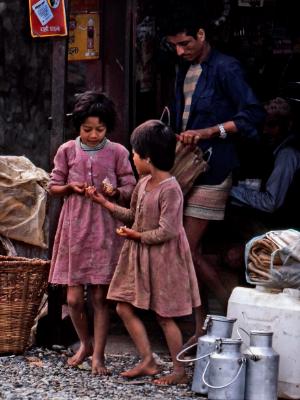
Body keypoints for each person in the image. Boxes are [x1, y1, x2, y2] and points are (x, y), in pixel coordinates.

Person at [161, 7, 265, 343]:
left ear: (202, 35)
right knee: (191, 251)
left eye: (185, 43)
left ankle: (236, 313)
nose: (180, 51)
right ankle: (205, 324)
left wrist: (209, 132)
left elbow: (252, 116)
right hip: (186, 170)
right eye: (174, 45)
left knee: (187, 250)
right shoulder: (184, 69)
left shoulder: (226, 68)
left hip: (215, 169)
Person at [86, 119, 201, 385]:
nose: (133, 159)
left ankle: (179, 371)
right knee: (123, 306)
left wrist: (136, 235)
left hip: (164, 260)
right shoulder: (144, 182)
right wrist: (104, 202)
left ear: (147, 158)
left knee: (164, 316)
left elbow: (168, 231)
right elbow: (131, 216)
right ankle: (148, 360)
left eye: (134, 155)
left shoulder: (170, 189)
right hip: (139, 257)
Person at [48, 91, 136, 374]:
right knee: (73, 298)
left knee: (99, 297)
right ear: (78, 127)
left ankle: (98, 354)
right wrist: (70, 188)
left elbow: (131, 187)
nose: (94, 134)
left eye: (100, 129)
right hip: (74, 227)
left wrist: (115, 191)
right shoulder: (67, 151)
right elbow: (53, 186)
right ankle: (84, 343)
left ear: (108, 127)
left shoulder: (119, 152)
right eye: (88, 129)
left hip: (103, 228)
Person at [225, 97, 300, 268]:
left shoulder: (287, 155)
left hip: (285, 232)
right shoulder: (274, 152)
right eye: (263, 125)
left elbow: (270, 202)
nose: (265, 131)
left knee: (231, 252)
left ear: (287, 126)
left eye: (272, 125)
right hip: (277, 226)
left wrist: (231, 190)